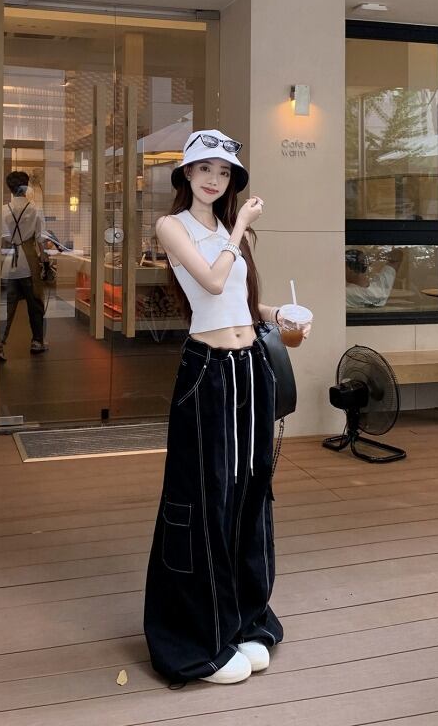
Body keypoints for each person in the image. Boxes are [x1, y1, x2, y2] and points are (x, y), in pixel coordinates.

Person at [143, 129, 311, 685]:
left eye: (224, 172)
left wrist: (279, 314)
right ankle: (200, 637)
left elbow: (240, 301)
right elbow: (212, 284)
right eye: (204, 169)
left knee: (251, 490)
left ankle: (244, 619)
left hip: (250, 368)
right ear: (186, 175)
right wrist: (240, 227)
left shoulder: (226, 231)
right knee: (204, 495)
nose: (214, 179)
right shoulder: (173, 226)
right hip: (207, 372)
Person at [0, 171, 47, 361]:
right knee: (35, 303)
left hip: (8, 262)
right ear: (26, 187)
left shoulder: (3, 210)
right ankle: (37, 341)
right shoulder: (35, 209)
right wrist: (45, 259)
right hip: (29, 261)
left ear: (9, 188)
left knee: (6, 307)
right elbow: (41, 239)